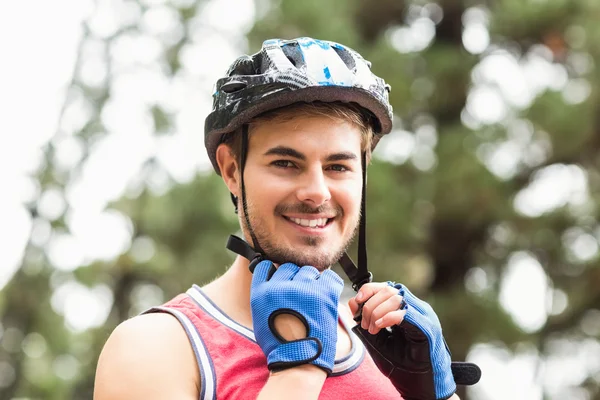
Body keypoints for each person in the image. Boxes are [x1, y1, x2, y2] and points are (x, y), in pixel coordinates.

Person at [94, 37, 480, 400]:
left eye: (338, 166)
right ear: (232, 170)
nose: (317, 191)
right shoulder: (157, 346)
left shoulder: (388, 356)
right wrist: (297, 371)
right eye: (285, 163)